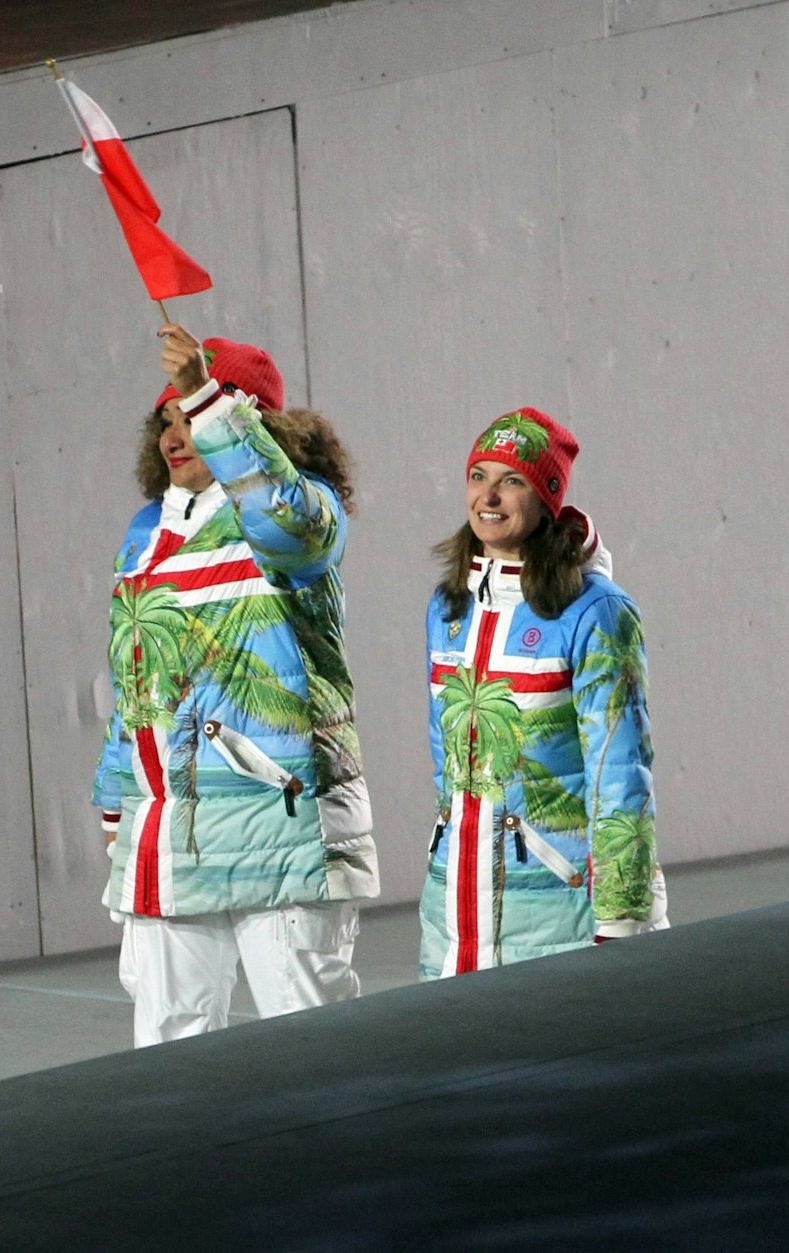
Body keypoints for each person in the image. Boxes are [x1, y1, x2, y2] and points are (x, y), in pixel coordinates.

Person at [94, 324, 378, 1046]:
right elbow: (136, 672)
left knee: (311, 1057)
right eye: (166, 419)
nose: (175, 434)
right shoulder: (144, 533)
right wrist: (113, 796)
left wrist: (208, 398)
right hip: (171, 836)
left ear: (255, 424)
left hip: (282, 838)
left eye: (192, 415)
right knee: (170, 1071)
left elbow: (287, 517)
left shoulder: (299, 511)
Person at [420, 408, 666, 978]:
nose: (489, 496)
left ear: (547, 499)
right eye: (478, 475)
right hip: (455, 913)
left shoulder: (597, 611)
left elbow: (620, 774)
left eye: (512, 480)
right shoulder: (448, 607)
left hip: (564, 909)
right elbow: (449, 772)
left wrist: (622, 920)